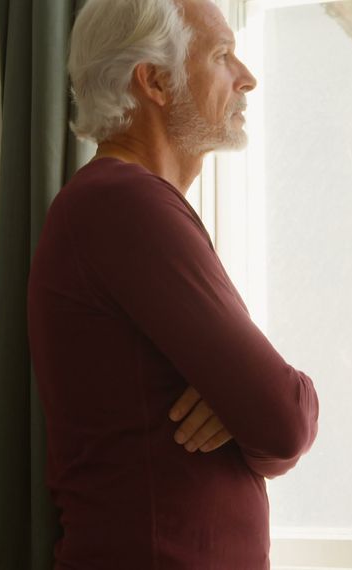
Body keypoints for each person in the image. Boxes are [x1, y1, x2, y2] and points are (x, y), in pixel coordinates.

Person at [26, 0, 320, 567]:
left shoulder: (116, 204)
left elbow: (264, 411)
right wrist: (262, 399)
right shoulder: (125, 204)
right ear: (156, 81)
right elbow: (283, 421)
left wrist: (240, 399)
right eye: (222, 55)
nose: (247, 78)